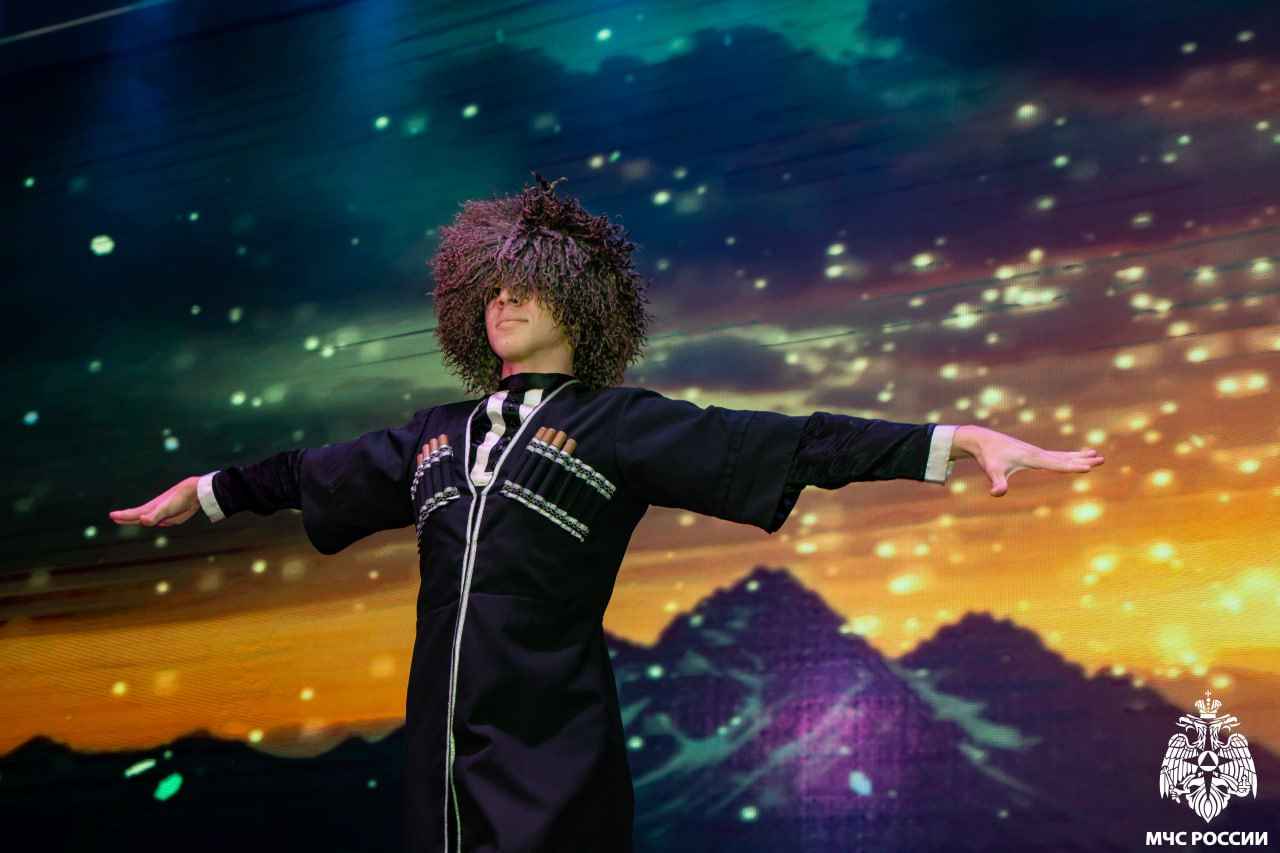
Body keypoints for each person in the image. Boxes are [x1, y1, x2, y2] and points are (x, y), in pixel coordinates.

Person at [109, 173, 1105, 852]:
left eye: (528, 287)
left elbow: (785, 442)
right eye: (492, 289)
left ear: (578, 305)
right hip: (442, 763)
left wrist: (951, 441)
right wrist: (204, 492)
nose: (504, 301)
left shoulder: (618, 425)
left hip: (552, 755)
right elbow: (304, 473)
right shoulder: (433, 437)